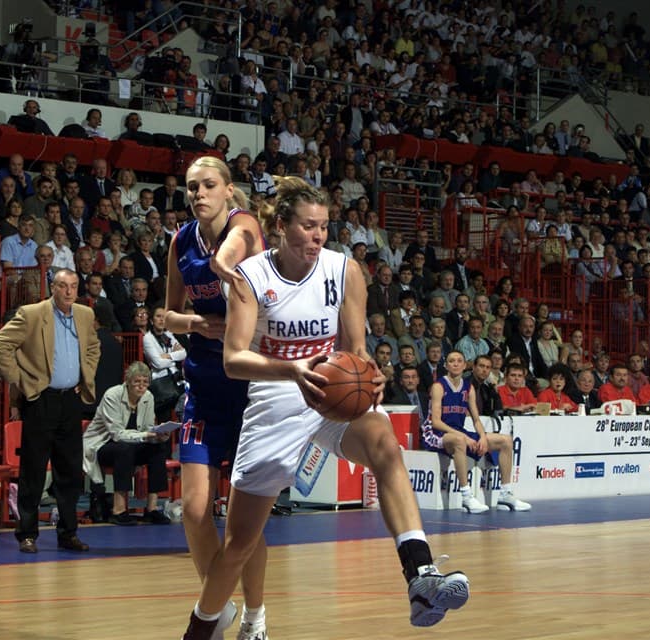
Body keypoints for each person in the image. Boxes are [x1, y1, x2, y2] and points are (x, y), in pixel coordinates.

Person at [182, 177, 470, 639]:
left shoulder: (344, 270)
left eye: (323, 227)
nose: (317, 236)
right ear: (281, 226)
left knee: (386, 446)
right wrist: (295, 370)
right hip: (277, 396)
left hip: (335, 391)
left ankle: (420, 576)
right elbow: (235, 360)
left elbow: (356, 350)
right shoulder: (250, 277)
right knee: (238, 545)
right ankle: (200, 630)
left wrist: (371, 375)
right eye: (308, 227)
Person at [165, 156, 270, 639]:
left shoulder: (243, 225)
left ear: (228, 190)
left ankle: (255, 619)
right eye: (191, 188)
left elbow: (228, 253)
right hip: (204, 384)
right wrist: (199, 324)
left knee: (245, 528)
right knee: (192, 511)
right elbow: (166, 316)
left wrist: (223, 266)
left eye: (208, 185)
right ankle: (218, 607)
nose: (198, 194)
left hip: (251, 388)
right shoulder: (179, 240)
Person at [0, 269, 100, 554]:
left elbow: (93, 348)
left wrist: (85, 376)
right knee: (34, 470)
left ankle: (68, 533)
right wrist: (20, 380)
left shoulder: (85, 315)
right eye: (63, 286)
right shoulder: (32, 313)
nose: (69, 292)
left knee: (70, 471)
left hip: (71, 400)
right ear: (53, 288)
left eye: (74, 287)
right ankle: (27, 534)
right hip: (40, 399)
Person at [423, 350, 530, 513]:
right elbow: (436, 422)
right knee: (459, 441)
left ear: (465, 365)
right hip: (434, 434)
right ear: (446, 365)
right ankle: (466, 497)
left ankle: (505, 493)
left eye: (459, 361)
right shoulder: (439, 386)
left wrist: (482, 437)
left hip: (457, 431)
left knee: (506, 441)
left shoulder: (468, 388)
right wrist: (463, 437)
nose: (456, 364)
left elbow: (476, 419)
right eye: (452, 361)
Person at [82, 362, 173, 525]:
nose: (141, 386)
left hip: (132, 444)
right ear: (128, 381)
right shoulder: (113, 395)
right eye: (137, 381)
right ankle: (119, 510)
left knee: (158, 448)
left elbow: (147, 428)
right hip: (102, 445)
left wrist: (159, 436)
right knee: (124, 449)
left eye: (145, 382)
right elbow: (116, 434)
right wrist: (146, 435)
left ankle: (152, 509)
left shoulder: (148, 397)